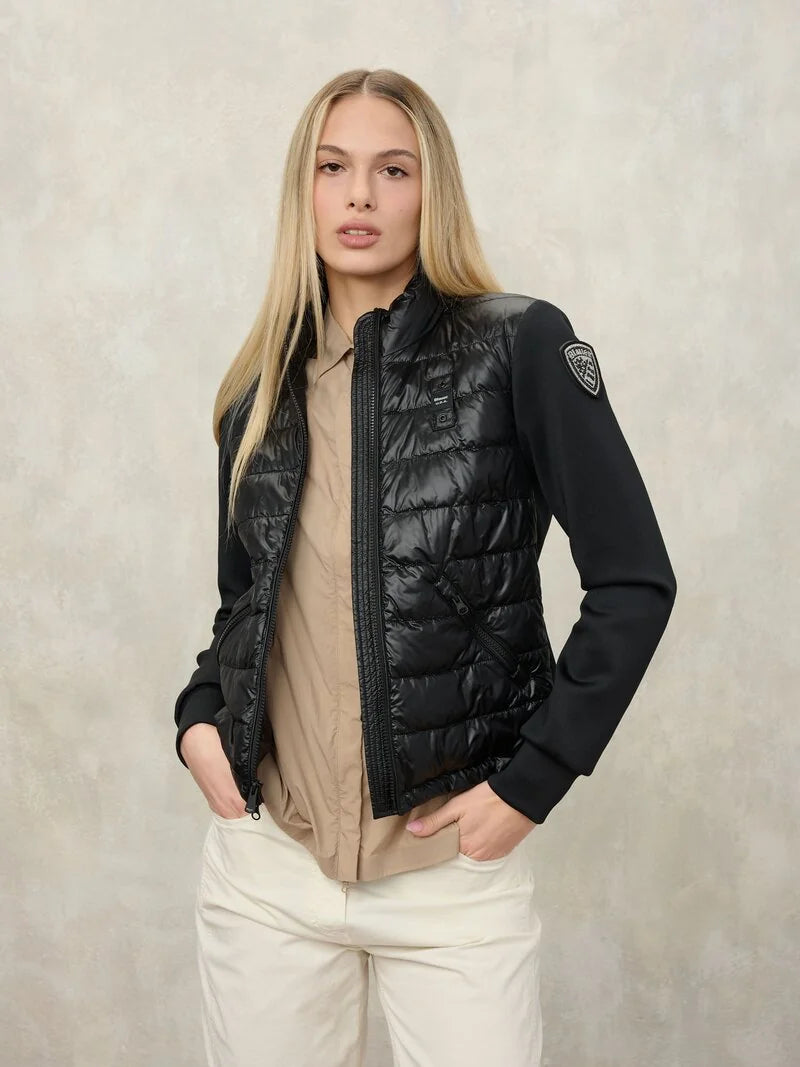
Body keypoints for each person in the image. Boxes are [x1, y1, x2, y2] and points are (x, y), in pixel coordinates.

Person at [172, 68, 677, 1067]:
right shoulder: (257, 389)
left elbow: (634, 581)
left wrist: (530, 782)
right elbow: (247, 605)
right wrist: (197, 717)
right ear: (303, 190)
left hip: (447, 874)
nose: (359, 195)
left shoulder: (518, 345)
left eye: (391, 169)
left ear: (428, 188)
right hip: (268, 871)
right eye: (332, 168)